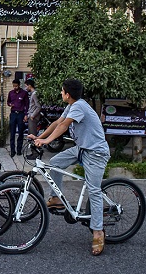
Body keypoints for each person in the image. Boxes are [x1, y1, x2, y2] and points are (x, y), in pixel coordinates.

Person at [31, 78, 110, 256]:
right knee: (56, 162)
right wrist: (38, 137)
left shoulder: (80, 106)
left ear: (68, 94)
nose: (61, 93)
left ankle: (98, 232)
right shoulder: (72, 105)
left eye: (62, 91)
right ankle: (56, 198)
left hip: (96, 153)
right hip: (82, 149)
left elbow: (65, 126)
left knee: (94, 190)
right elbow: (58, 123)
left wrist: (47, 141)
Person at [7, 79, 29, 157]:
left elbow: (27, 104)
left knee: (20, 133)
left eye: (16, 86)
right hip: (13, 114)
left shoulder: (24, 93)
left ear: (19, 85)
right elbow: (8, 102)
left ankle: (19, 150)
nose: (15, 87)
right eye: (14, 86)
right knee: (12, 133)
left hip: (21, 114)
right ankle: (12, 150)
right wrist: (10, 104)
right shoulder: (11, 93)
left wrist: (26, 115)